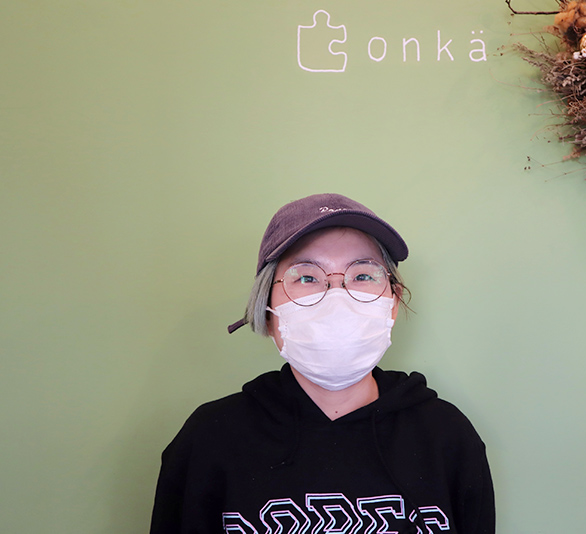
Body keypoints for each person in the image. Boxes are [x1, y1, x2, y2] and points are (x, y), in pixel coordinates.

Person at [150, 193, 495, 534]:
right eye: (306, 277)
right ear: (267, 310)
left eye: (363, 275)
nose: (337, 298)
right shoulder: (210, 440)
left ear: (392, 303)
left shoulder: (446, 437)